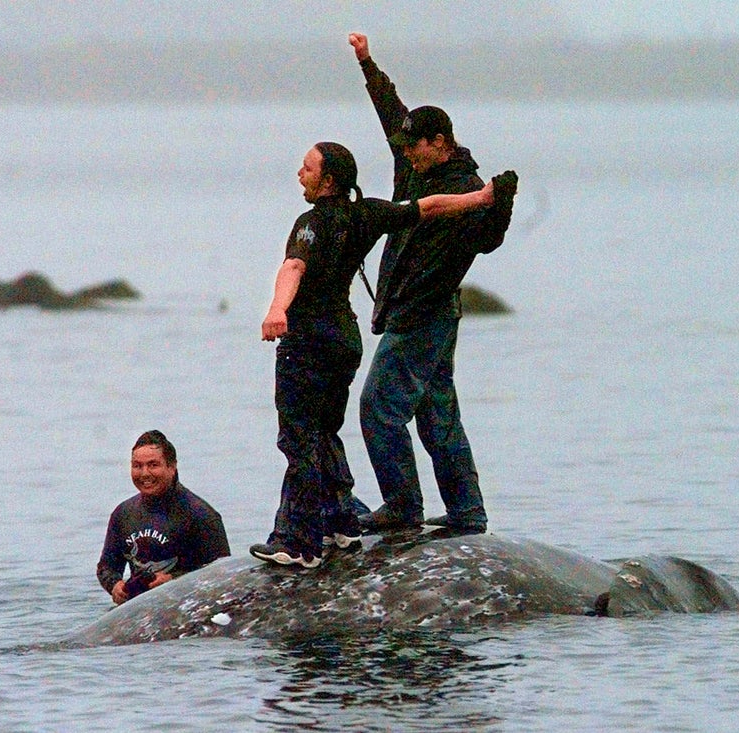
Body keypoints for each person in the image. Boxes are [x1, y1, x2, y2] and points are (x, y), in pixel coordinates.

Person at [249, 141, 516, 568]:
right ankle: (341, 524)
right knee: (326, 432)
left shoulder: (310, 223)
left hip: (309, 343)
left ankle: (297, 542)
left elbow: (293, 266)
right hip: (344, 340)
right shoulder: (367, 214)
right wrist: (482, 198)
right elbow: (428, 207)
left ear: (328, 180)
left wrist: (277, 309)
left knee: (299, 440)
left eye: (307, 168)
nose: (300, 174)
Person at [347, 32, 518, 534]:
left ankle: (403, 506)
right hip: (425, 314)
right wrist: (367, 64)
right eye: (404, 148)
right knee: (437, 415)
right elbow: (390, 111)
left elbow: (488, 241)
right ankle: (468, 512)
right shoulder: (413, 165)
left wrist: (501, 204)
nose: (407, 155)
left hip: (424, 315)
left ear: (440, 142)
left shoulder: (467, 189)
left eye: (414, 148)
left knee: (378, 408)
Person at [97, 430, 230, 604]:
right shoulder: (123, 514)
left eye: (153, 465)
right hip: (141, 609)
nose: (144, 473)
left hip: (190, 607)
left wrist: (174, 581)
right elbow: (106, 567)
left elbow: (222, 575)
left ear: (172, 467)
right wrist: (115, 585)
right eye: (137, 466)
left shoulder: (201, 515)